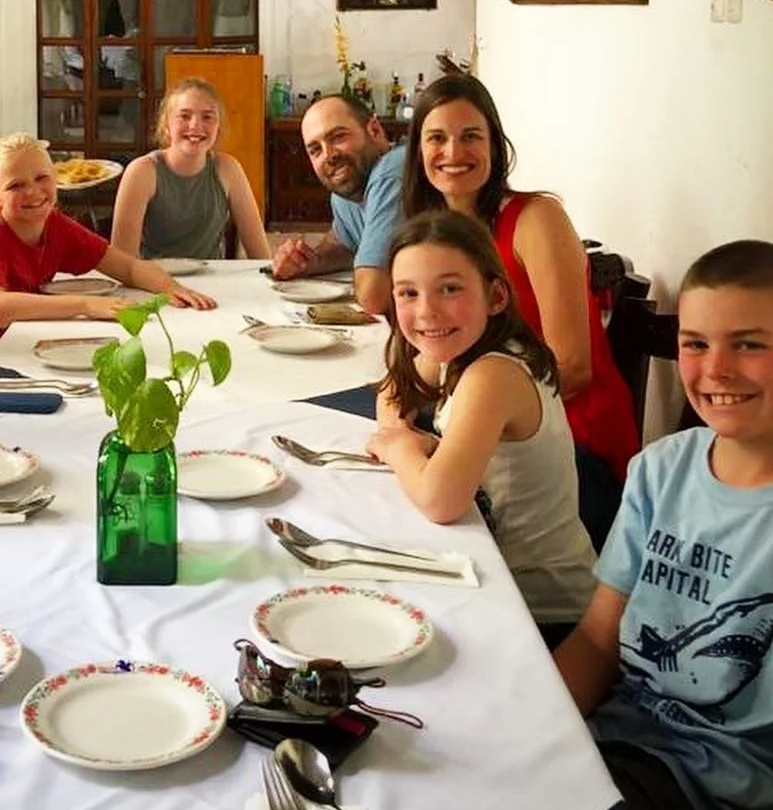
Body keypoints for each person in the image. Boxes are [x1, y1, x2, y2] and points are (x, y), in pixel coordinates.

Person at [555, 240, 773, 810]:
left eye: (750, 344)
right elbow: (600, 637)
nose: (717, 369)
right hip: (616, 741)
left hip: (713, 795)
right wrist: (529, 725)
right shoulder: (660, 470)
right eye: (696, 343)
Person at [402, 72, 638, 543]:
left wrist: (459, 416)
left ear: (496, 145)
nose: (453, 153)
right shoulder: (438, 232)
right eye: (437, 138)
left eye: (471, 136)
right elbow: (421, 362)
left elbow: (572, 368)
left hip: (571, 448)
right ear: (418, 153)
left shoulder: (536, 218)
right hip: (482, 425)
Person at [369, 210, 596, 643]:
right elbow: (393, 392)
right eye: (408, 293)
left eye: (450, 288)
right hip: (488, 575)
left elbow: (439, 500)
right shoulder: (456, 343)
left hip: (543, 613)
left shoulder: (494, 374)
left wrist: (401, 449)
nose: (427, 311)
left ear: (496, 296)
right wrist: (403, 434)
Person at [0, 133, 218, 395]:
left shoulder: (56, 226)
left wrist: (170, 287)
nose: (33, 191)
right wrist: (85, 305)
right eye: (16, 185)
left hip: (21, 354)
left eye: (42, 178)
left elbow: (126, 267)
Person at [270, 94, 404, 318]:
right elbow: (345, 244)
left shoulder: (392, 171)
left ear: (375, 130)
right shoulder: (347, 190)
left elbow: (373, 298)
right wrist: (307, 262)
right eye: (315, 150)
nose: (329, 155)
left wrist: (368, 277)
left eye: (338, 137)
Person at [110, 78, 270, 262]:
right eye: (184, 116)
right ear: (166, 125)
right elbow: (122, 260)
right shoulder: (142, 171)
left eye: (207, 117)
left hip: (212, 282)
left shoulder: (228, 168)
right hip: (155, 283)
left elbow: (261, 256)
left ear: (218, 127)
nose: (195, 125)